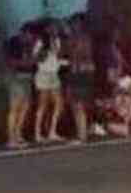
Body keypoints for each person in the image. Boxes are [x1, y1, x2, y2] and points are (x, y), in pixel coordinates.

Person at [3, 22, 38, 148]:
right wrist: (26, 63)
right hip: (16, 78)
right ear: (25, 33)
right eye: (31, 36)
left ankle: (18, 134)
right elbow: (11, 62)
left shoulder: (29, 45)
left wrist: (30, 62)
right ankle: (11, 138)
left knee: (25, 108)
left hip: (26, 78)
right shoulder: (14, 43)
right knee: (15, 108)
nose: (32, 39)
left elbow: (32, 62)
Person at [63, 15, 96, 144]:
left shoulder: (81, 39)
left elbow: (75, 53)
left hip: (80, 73)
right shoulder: (82, 38)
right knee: (76, 104)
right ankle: (81, 133)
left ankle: (81, 135)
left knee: (78, 104)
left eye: (73, 24)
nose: (72, 27)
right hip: (80, 73)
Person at [32, 22, 65, 143]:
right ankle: (38, 133)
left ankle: (52, 131)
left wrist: (62, 61)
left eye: (56, 28)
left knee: (59, 103)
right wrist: (46, 50)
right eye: (52, 27)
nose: (55, 29)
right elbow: (35, 58)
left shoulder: (57, 41)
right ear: (46, 29)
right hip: (44, 74)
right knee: (43, 104)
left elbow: (57, 57)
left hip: (54, 74)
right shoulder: (41, 42)